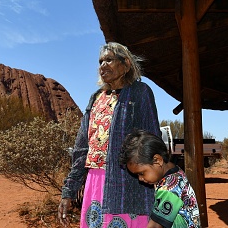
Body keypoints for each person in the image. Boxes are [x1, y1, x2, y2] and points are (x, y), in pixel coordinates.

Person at [58, 42, 161, 227]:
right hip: (95, 183)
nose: (102, 65)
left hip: (128, 184)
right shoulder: (96, 97)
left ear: (126, 64)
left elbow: (153, 138)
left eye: (109, 60)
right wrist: (69, 191)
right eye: (100, 61)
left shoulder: (140, 92)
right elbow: (82, 148)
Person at [119, 129, 201, 228]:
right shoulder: (176, 172)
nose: (140, 179)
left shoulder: (169, 189)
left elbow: (155, 225)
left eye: (141, 173)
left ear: (157, 161)